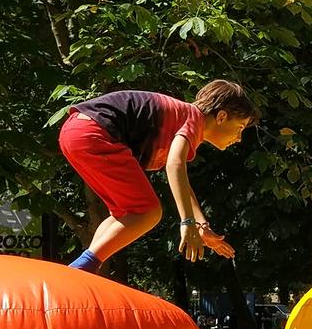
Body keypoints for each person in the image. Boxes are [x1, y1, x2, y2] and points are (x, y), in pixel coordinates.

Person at [58, 80, 258, 274]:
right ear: (221, 117)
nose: (239, 138)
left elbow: (181, 182)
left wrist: (201, 225)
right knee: (148, 212)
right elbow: (175, 165)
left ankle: (85, 270)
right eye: (240, 128)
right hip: (94, 133)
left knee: (126, 213)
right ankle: (81, 268)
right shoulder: (193, 120)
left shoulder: (182, 117)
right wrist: (187, 222)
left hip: (74, 131)